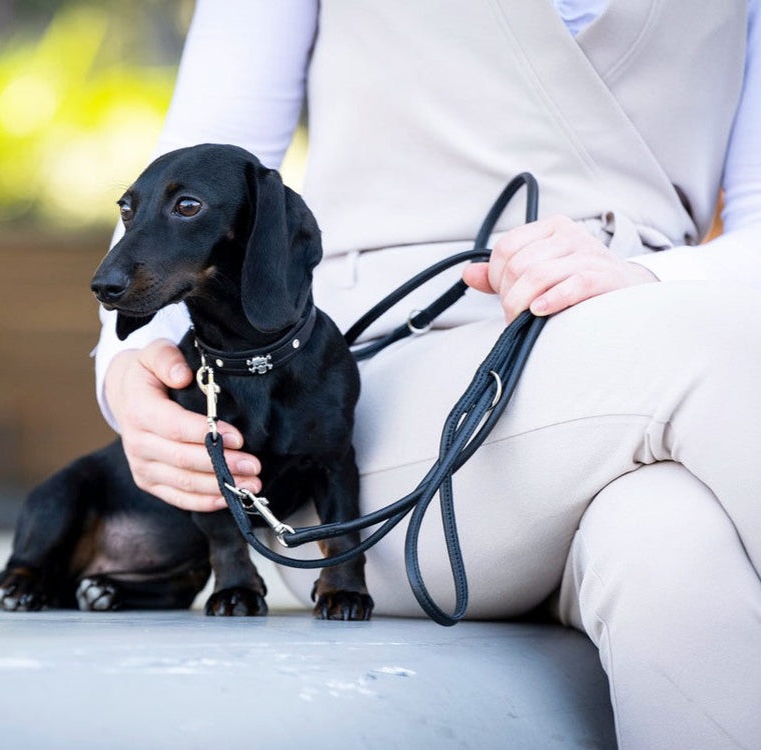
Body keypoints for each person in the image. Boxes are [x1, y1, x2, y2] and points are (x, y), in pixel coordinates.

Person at [93, 2, 761, 747]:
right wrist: (126, 372)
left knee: (672, 547)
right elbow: (197, 167)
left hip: (646, 362)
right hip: (383, 390)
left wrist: (655, 276)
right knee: (699, 337)